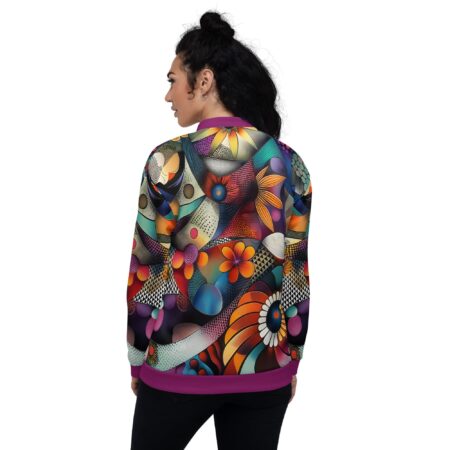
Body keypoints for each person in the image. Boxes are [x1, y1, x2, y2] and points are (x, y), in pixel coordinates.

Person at [125, 10, 312, 450]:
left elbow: (145, 267)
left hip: (176, 370)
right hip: (264, 368)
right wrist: (292, 357)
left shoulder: (168, 161)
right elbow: (297, 274)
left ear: (204, 80)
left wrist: (137, 358)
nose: (169, 94)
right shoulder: (290, 164)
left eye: (173, 80)